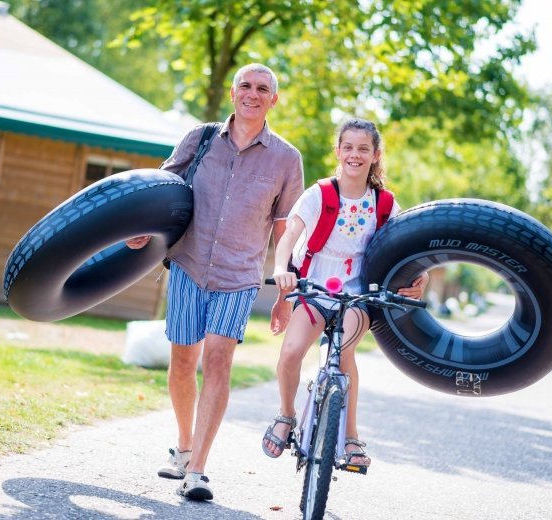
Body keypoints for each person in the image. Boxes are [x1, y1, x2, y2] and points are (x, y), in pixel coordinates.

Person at [126, 63, 304, 501]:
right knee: (184, 363)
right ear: (232, 92)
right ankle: (184, 447)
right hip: (187, 265)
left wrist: (285, 295)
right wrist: (141, 229)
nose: (253, 93)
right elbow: (163, 185)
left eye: (263, 88)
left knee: (219, 361)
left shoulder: (287, 158)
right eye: (245, 85)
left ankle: (198, 471)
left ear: (273, 100)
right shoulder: (200, 138)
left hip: (239, 276)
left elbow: (287, 231)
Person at [262, 118, 428, 467]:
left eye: (363, 148)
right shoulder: (319, 194)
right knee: (291, 352)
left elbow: (406, 244)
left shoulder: (384, 203)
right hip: (315, 286)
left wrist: (420, 275)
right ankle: (286, 415)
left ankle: (351, 438)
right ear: (338, 151)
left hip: (357, 293)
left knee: (344, 354)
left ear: (375, 154)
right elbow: (290, 235)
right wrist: (280, 269)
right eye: (348, 147)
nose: (355, 154)